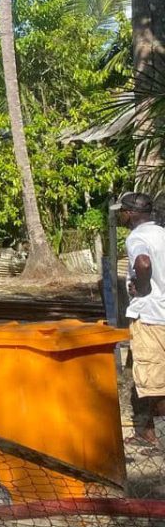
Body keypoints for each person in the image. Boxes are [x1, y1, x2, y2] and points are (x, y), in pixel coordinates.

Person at [113, 191, 165, 446]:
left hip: (150, 316)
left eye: (123, 211)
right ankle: (145, 433)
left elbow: (143, 263)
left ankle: (156, 439)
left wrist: (143, 288)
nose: (121, 215)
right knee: (143, 376)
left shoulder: (137, 237)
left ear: (131, 213)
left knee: (151, 382)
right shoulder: (162, 234)